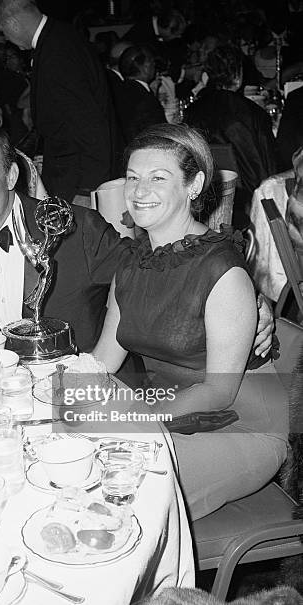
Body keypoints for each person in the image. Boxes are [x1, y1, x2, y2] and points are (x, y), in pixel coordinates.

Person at [0, 124, 276, 362]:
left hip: (78, 380)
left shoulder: (75, 228)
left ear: (11, 176)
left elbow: (163, 267)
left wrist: (251, 300)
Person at [92, 124, 288, 520]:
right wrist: (52, 396)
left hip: (242, 426)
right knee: (66, 459)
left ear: (194, 184)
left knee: (121, 487)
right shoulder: (132, 264)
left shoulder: (221, 269)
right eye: (132, 177)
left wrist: (135, 420)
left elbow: (218, 393)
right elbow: (102, 362)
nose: (139, 191)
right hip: (168, 415)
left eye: (157, 178)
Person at [0, 0, 121, 205]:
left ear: (13, 24)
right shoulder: (59, 37)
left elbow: (88, 121)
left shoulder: (57, 50)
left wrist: (87, 189)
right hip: (71, 170)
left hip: (77, 177)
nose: (7, 39)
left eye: (4, 32)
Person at [185, 45, 277, 229]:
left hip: (204, 202)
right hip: (248, 205)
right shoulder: (253, 113)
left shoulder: (192, 112)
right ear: (237, 76)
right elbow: (269, 170)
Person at [117, 45, 166, 144]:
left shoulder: (118, 90)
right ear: (145, 67)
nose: (155, 67)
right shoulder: (145, 99)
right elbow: (160, 134)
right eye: (152, 62)